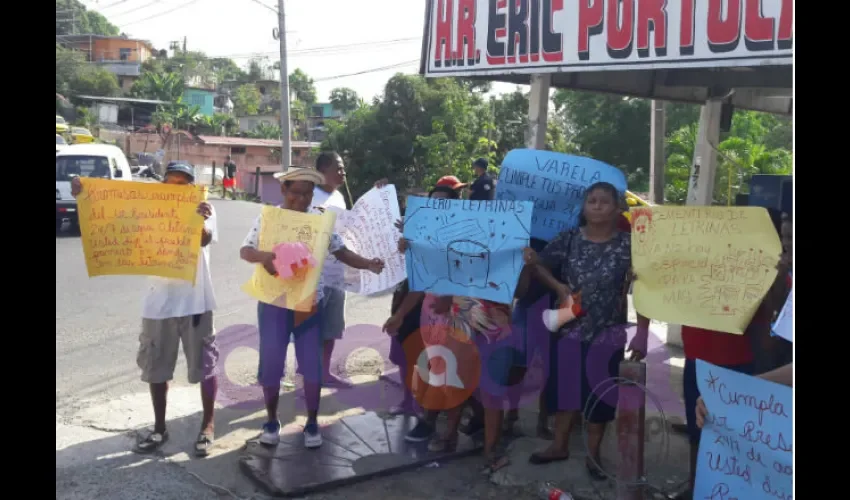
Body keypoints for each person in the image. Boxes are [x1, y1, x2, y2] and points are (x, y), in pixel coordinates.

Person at [71, 163, 220, 457]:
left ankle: (208, 426)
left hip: (196, 303)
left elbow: (203, 239)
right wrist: (83, 194)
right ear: (162, 185)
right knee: (156, 368)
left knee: (205, 367)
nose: (176, 188)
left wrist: (198, 219)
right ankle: (159, 428)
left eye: (183, 183)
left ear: (191, 187)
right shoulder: (148, 208)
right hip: (158, 302)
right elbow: (112, 216)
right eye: (170, 182)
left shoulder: (207, 208)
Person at [239, 167, 385, 449]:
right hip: (274, 303)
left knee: (312, 367)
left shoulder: (320, 221)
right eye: (296, 193)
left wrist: (368, 263)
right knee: (271, 366)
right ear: (284, 191)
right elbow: (245, 250)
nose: (301, 200)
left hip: (309, 304)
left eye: (307, 194)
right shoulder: (268, 218)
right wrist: (264, 256)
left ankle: (312, 423)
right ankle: (271, 421)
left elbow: (341, 251)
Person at [520, 182, 649, 480]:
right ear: (583, 207)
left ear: (617, 208)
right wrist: (558, 286)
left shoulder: (630, 245)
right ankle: (559, 446)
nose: (598, 205)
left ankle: (594, 455)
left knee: (601, 397)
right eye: (592, 201)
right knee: (565, 393)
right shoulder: (568, 240)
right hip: (569, 330)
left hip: (609, 333)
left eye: (605, 201)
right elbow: (539, 264)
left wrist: (642, 331)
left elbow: (646, 288)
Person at [385, 183, 514, 473]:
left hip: (490, 324)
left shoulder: (498, 241)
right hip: (445, 321)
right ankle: (450, 433)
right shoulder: (431, 239)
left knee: (489, 389)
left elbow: (502, 282)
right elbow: (420, 283)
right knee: (452, 377)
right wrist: (401, 314)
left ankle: (490, 446)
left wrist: (454, 297)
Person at [310, 151, 389, 388]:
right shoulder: (309, 196)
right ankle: (309, 379)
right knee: (311, 331)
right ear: (323, 170)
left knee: (331, 329)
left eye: (343, 168)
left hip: (337, 275)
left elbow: (351, 230)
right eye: (339, 168)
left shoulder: (340, 198)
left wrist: (378, 195)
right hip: (313, 276)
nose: (343, 172)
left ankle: (324, 373)